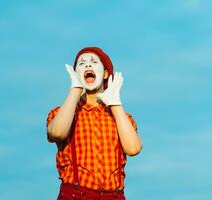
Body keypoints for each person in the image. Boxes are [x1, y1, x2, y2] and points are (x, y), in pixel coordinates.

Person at [46, 47, 143, 200]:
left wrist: (115, 103)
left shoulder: (121, 117)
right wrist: (75, 89)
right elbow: (57, 132)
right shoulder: (63, 112)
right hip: (75, 195)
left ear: (105, 73)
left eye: (93, 62)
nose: (87, 66)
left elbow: (133, 148)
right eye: (82, 64)